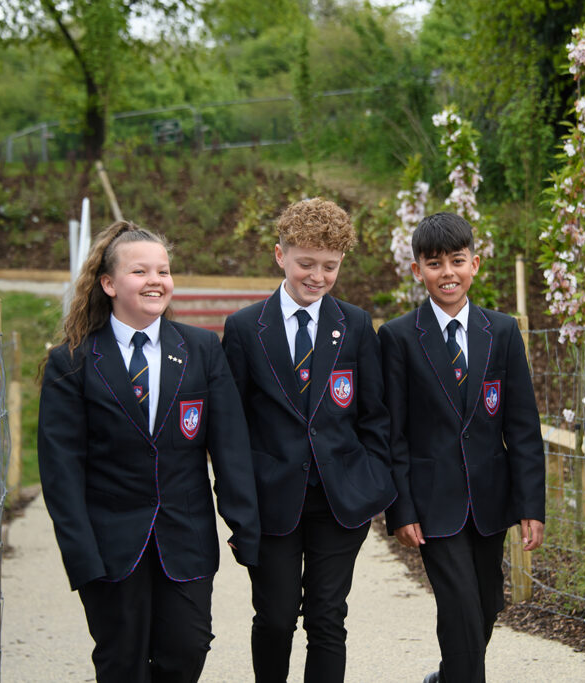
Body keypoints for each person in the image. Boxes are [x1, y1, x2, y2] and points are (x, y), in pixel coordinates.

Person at [38, 221, 260, 682]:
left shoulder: (201, 350)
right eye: (140, 271)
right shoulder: (73, 362)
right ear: (109, 283)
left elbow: (230, 447)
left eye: (164, 270)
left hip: (186, 538)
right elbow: (60, 470)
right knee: (122, 663)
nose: (156, 280)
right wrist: (80, 554)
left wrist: (244, 524)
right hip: (110, 547)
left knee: (188, 650)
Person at [222, 198, 396, 683]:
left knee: (327, 617)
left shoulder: (357, 325)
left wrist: (372, 481)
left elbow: (374, 415)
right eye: (306, 264)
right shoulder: (243, 329)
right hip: (271, 501)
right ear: (280, 255)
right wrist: (237, 508)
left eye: (330, 266)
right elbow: (231, 429)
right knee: (276, 618)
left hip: (340, 501)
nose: (317, 276)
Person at [378, 211, 546, 683]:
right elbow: (394, 434)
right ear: (417, 271)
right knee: (460, 609)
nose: (447, 272)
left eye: (457, 260)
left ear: (475, 263)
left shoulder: (503, 331)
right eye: (434, 263)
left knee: (488, 601)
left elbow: (523, 426)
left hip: (491, 499)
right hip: (434, 504)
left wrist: (531, 503)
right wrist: (402, 509)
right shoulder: (397, 337)